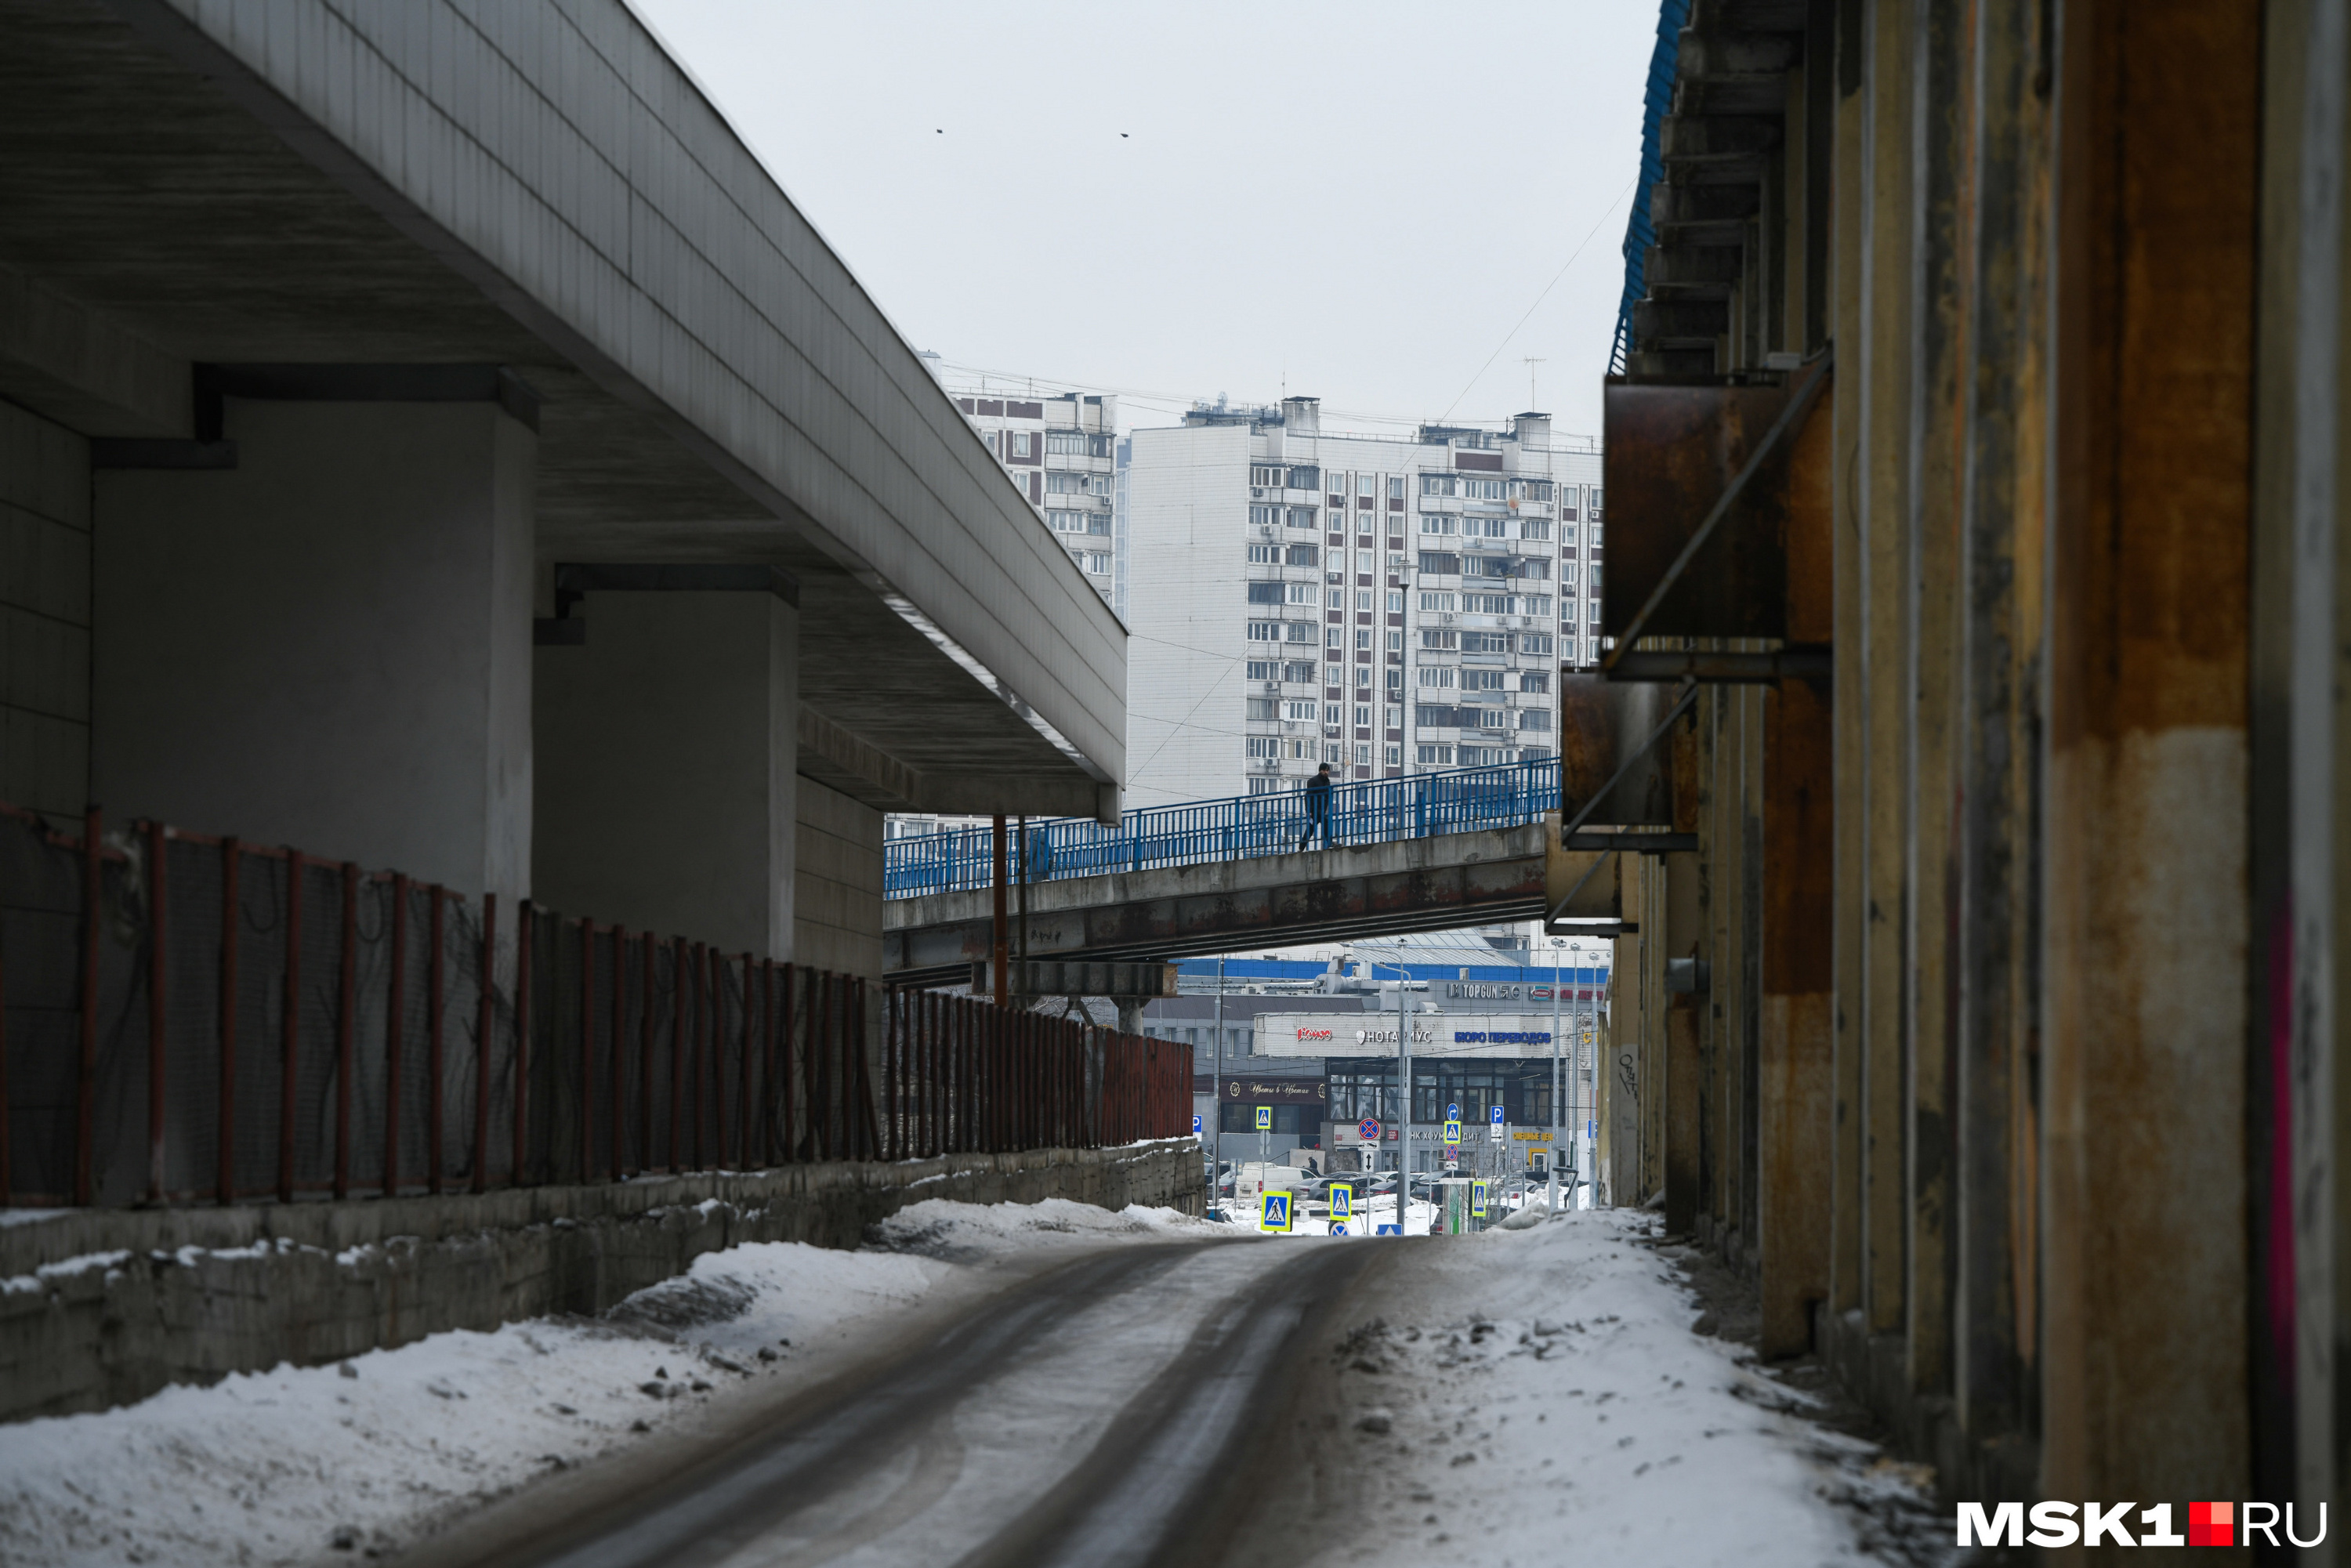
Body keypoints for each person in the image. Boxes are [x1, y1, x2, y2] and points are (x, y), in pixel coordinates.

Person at [1299, 762, 1334, 850]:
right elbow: (1308, 796)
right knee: (1324, 824)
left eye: (1327, 770)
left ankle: (1301, 848)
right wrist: (1308, 811)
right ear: (1320, 770)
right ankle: (1330, 844)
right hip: (1314, 809)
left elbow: (1327, 795)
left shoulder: (1327, 781)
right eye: (1324, 770)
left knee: (1310, 830)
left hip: (1321, 810)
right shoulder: (1313, 781)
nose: (1326, 772)